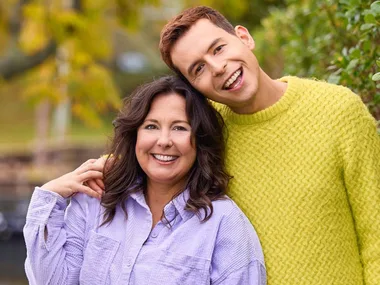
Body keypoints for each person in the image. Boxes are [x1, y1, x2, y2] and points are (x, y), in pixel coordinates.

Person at [156, 6, 380, 285]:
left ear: (244, 37)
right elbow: (150, 151)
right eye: (198, 68)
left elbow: (376, 233)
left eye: (218, 49)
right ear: (194, 88)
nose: (217, 68)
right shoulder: (205, 132)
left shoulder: (338, 111)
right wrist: (96, 171)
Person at [23, 76, 266, 285]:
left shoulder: (223, 223)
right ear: (134, 136)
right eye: (151, 126)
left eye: (180, 128)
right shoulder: (96, 200)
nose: (163, 141)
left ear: (200, 141)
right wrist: (50, 195)